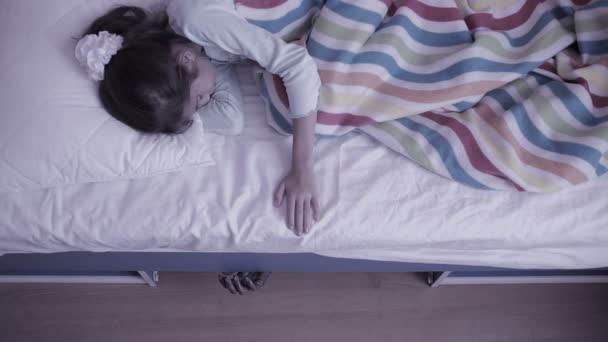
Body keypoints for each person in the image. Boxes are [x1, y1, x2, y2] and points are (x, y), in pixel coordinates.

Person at [75, 0, 322, 237]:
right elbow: (231, 119)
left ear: (186, 59)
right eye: (199, 106)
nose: (206, 101)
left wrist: (302, 167)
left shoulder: (197, 19)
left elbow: (297, 66)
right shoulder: (200, 55)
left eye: (199, 99)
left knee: (306, 108)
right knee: (288, 115)